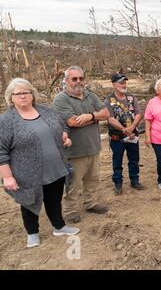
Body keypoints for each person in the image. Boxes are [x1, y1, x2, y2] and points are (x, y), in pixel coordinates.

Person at [0, 78, 80, 248]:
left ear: (32, 94)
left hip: (55, 167)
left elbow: (63, 126)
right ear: (11, 97)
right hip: (27, 173)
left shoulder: (46, 111)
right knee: (29, 203)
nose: (23, 96)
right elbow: (1, 151)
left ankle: (59, 226)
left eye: (26, 92)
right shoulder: (6, 121)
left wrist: (64, 136)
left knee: (54, 199)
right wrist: (7, 177)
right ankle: (32, 233)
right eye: (18, 93)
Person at [53, 66, 110, 223]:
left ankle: (90, 203)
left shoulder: (90, 95)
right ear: (66, 81)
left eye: (81, 78)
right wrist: (95, 118)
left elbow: (106, 113)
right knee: (73, 183)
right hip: (74, 151)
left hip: (93, 147)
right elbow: (72, 122)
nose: (78, 81)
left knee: (93, 179)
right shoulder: (61, 99)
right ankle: (70, 210)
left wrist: (90, 115)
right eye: (74, 79)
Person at [104, 73, 143, 195]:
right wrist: (124, 130)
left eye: (124, 82)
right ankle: (118, 183)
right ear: (114, 85)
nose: (123, 85)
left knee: (134, 159)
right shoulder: (108, 100)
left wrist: (131, 127)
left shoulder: (131, 98)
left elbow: (138, 114)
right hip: (117, 137)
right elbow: (110, 118)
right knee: (117, 161)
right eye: (121, 83)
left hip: (133, 135)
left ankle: (134, 180)